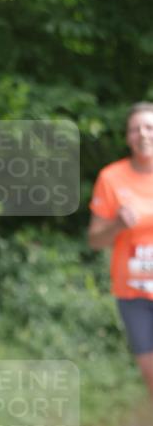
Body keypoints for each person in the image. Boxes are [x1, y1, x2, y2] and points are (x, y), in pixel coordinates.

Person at [88, 102, 153, 401]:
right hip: (133, 293)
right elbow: (95, 240)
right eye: (135, 128)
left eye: (149, 127)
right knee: (150, 372)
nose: (143, 134)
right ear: (127, 137)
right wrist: (116, 224)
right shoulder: (111, 178)